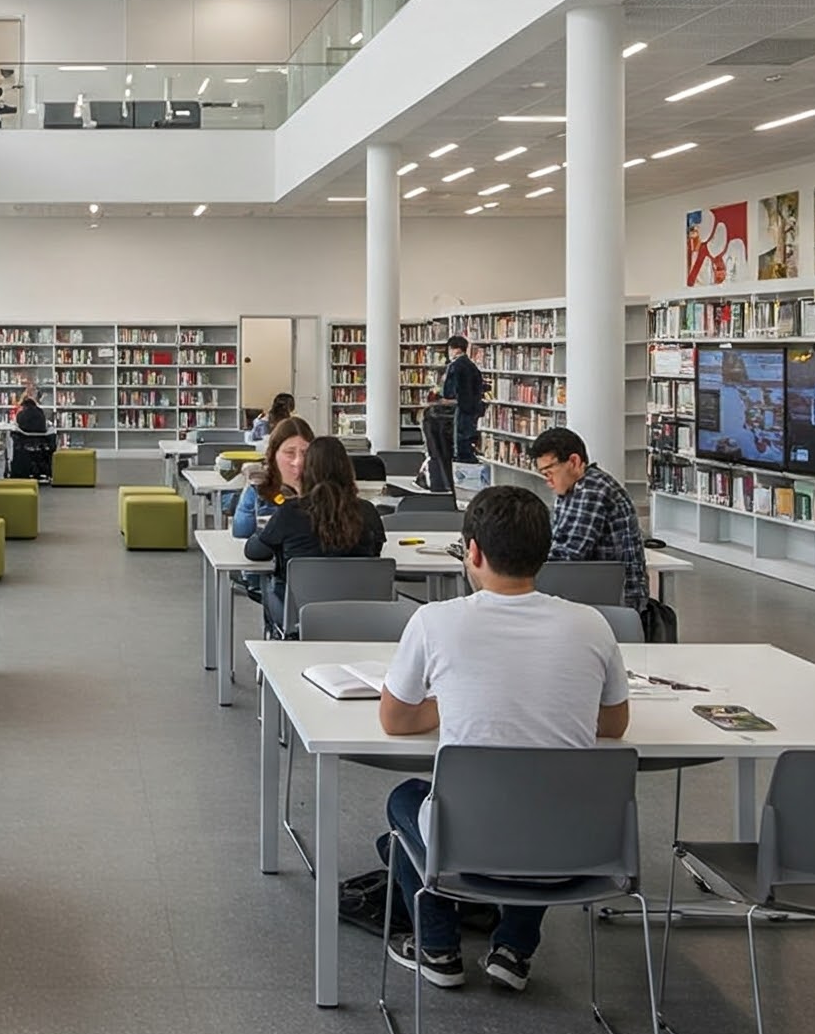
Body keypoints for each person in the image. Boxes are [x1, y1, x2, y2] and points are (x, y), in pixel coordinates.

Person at [377, 485, 630, 992]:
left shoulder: (435, 621)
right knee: (538, 799)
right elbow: (613, 725)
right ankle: (513, 948)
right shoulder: (592, 625)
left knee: (405, 801)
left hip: (468, 843)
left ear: (472, 551)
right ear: (545, 551)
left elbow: (395, 721)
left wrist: (451, 703)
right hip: (573, 844)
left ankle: (438, 948)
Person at [243, 434, 387, 635]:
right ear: (347, 470)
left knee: (266, 582)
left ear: (306, 471)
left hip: (300, 614)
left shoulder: (290, 512)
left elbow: (255, 552)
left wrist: (262, 531)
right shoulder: (368, 511)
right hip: (363, 614)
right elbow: (375, 553)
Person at [527, 424, 649, 616]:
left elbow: (567, 555)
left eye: (549, 472)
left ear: (574, 461)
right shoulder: (573, 488)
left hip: (612, 601)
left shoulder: (591, 489)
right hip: (597, 593)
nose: (547, 481)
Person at [230, 414, 315, 540]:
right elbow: (241, 533)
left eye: (305, 453)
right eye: (290, 453)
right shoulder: (261, 486)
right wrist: (251, 488)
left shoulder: (324, 486)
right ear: (274, 454)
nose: (298, 461)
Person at [435, 334, 487, 464]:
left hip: (461, 408)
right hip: (474, 408)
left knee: (460, 441)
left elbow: (448, 391)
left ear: (455, 349)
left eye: (449, 349)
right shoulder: (472, 366)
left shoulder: (455, 366)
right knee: (469, 440)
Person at [9, 381, 52, 479]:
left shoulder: (21, 414)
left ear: (24, 406)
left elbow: (19, 426)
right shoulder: (41, 412)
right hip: (41, 440)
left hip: (25, 439)